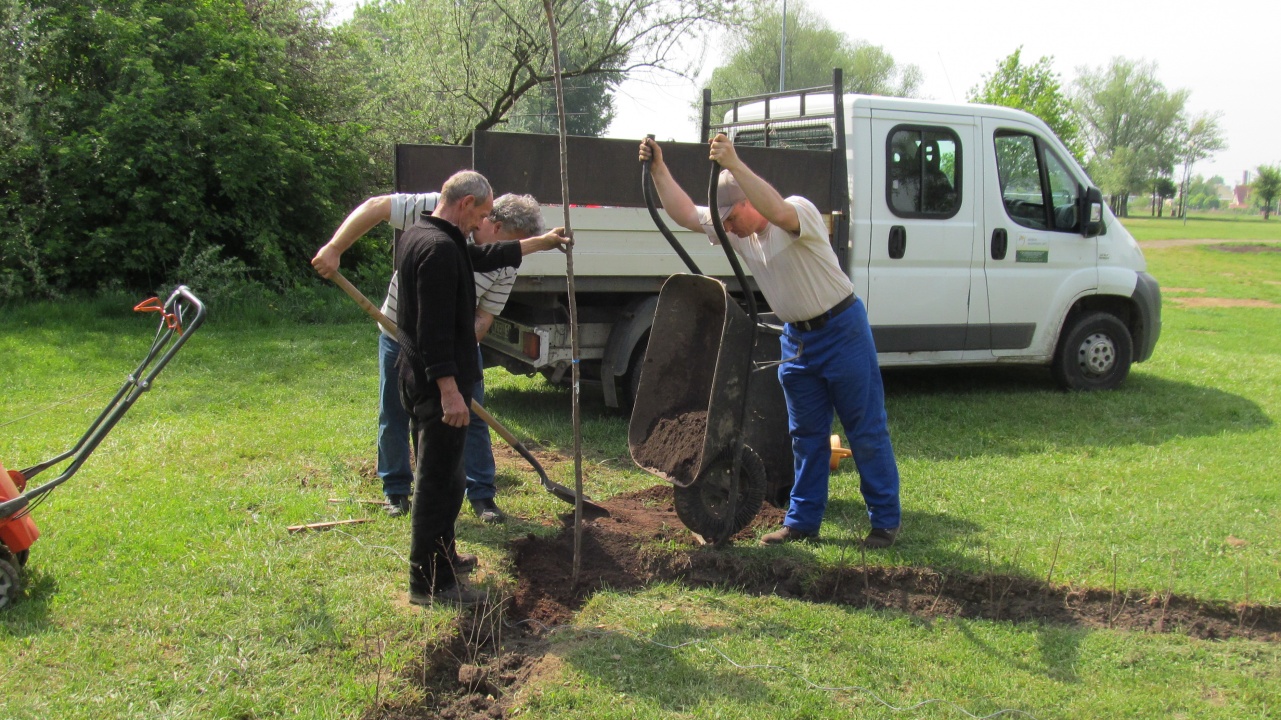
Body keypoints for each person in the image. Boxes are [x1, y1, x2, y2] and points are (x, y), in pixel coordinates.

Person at [639, 134, 902, 549]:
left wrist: (735, 163)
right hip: (797, 340)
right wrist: (658, 168)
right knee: (805, 436)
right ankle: (802, 522)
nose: (726, 227)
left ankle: (885, 523)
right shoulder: (740, 232)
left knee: (865, 429)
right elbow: (687, 213)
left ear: (748, 203)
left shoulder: (797, 213)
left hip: (841, 330)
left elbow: (775, 208)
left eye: (731, 217)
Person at [311, 193, 543, 522]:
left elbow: (485, 318)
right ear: (494, 223)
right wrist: (335, 248)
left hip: (456, 348)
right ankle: (396, 490)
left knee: (472, 418)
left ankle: (481, 495)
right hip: (399, 337)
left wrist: (447, 359)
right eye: (515, 242)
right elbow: (377, 207)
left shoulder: (505, 263)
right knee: (393, 413)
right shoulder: (443, 211)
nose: (516, 250)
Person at [394, 170, 567, 605]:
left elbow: (486, 257)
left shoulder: (429, 236)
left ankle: (444, 556)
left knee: (450, 480)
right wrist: (450, 391)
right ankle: (428, 584)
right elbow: (433, 332)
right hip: (436, 389)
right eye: (483, 214)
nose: (482, 224)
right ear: (467, 203)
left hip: (420, 378)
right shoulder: (436, 250)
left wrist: (541, 243)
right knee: (436, 484)